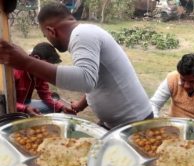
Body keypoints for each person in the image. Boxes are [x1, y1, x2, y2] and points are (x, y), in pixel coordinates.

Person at [0, 2, 153, 129]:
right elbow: (97, 77)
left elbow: (85, 79)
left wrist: (26, 62)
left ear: (50, 30)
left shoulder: (82, 34)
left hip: (135, 124)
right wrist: (81, 104)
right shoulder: (85, 33)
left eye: (45, 35)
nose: (47, 39)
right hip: (118, 123)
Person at [15, 42, 75, 116]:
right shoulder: (15, 71)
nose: (47, 69)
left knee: (55, 108)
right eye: (46, 65)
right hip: (10, 107)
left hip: (26, 104)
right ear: (36, 58)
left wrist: (61, 107)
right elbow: (5, 103)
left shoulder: (39, 72)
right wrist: (25, 109)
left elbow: (45, 94)